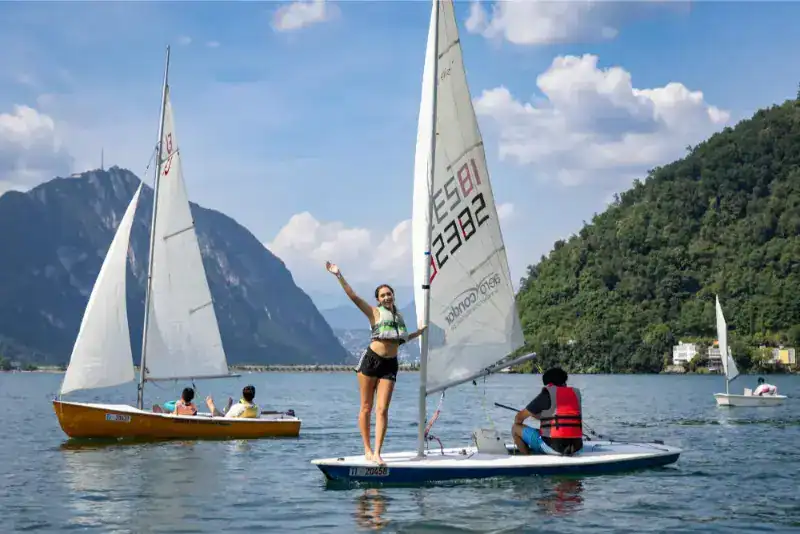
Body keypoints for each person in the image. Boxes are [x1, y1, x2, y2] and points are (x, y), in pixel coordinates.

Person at [325, 261, 427, 465]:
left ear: (393, 296)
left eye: (389, 294)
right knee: (366, 407)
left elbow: (402, 338)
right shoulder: (374, 313)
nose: (387, 297)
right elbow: (353, 296)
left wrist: (420, 332)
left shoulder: (399, 316)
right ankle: (367, 449)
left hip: (391, 364)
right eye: (383, 295)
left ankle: (378, 452)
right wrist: (338, 275)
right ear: (378, 299)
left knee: (382, 410)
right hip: (371, 361)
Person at [512, 367, 583, 456]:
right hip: (576, 447)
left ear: (549, 384)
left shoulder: (547, 394)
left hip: (555, 448)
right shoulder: (575, 394)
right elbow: (560, 417)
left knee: (515, 428)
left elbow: (519, 418)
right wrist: (540, 417)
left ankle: (528, 459)